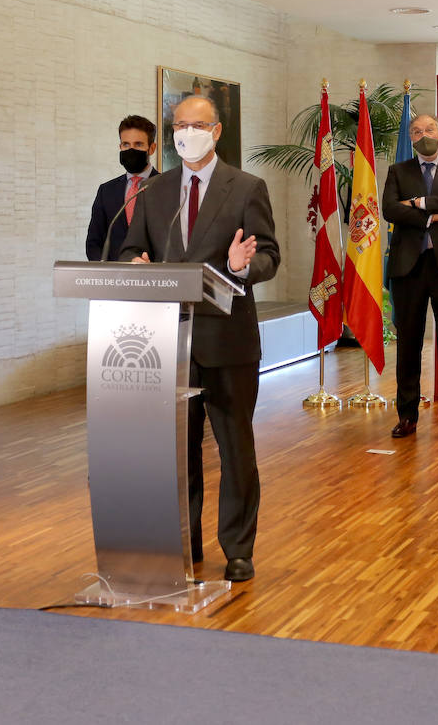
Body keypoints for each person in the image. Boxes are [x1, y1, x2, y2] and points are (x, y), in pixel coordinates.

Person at [118, 95, 279, 583]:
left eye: (196, 125)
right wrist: (133, 264)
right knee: (177, 452)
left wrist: (240, 267)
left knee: (235, 450)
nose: (185, 132)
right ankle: (183, 544)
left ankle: (237, 548)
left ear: (216, 131)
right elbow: (131, 247)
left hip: (227, 339)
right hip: (168, 341)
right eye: (178, 125)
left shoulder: (247, 187)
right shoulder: (154, 191)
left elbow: (269, 254)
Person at [381, 113, 438, 442]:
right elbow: (390, 210)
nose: (424, 136)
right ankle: (406, 415)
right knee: (408, 344)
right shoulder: (398, 171)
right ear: (411, 138)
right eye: (417, 131)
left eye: (429, 129)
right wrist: (433, 216)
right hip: (409, 266)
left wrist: (420, 204)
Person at [86, 115, 161, 261]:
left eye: (138, 144)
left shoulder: (166, 186)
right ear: (120, 146)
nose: (131, 150)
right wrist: (106, 272)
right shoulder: (106, 191)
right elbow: (94, 243)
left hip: (154, 277)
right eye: (126, 144)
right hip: (113, 279)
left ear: (151, 148)